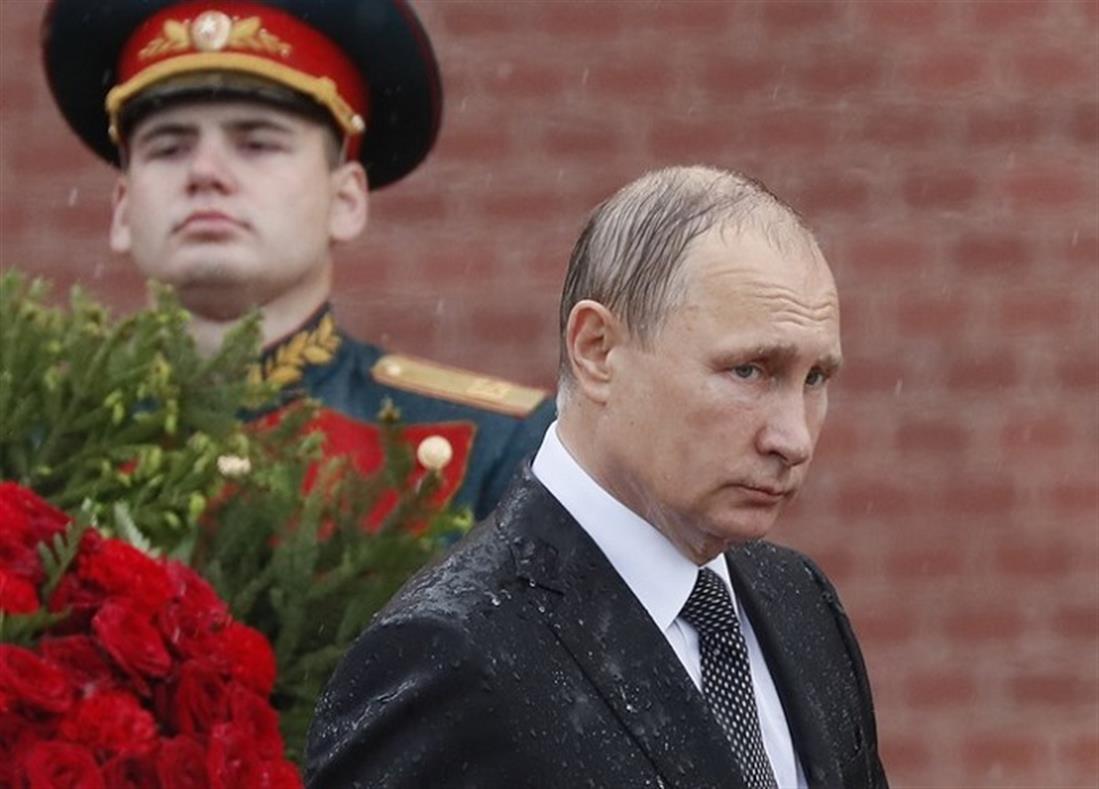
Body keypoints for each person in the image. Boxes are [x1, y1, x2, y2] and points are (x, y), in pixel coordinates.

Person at [306, 165, 889, 788]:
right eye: (748, 370)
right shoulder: (450, 655)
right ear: (596, 351)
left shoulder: (799, 602)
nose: (793, 438)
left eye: (815, 379)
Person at [40, 0, 554, 519]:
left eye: (257, 144)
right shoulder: (36, 448)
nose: (204, 172)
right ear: (122, 209)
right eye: (168, 148)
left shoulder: (487, 450)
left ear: (346, 201)